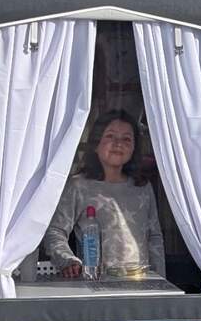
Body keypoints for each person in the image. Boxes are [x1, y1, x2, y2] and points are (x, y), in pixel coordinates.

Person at [44, 110, 166, 281]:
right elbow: (55, 231)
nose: (118, 144)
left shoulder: (143, 187)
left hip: (141, 284)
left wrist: (161, 281)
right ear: (96, 143)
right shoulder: (78, 186)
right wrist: (68, 260)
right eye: (110, 136)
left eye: (126, 139)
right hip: (97, 285)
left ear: (134, 148)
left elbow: (155, 237)